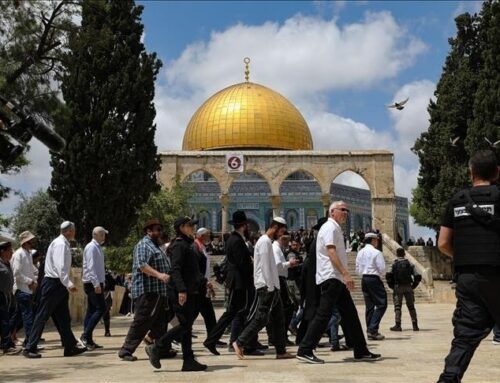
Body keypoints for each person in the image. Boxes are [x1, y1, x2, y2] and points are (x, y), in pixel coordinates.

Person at [436, 150, 500, 383]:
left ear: (470, 173)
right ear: (497, 172)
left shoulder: (457, 200)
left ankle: (448, 379)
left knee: (465, 336)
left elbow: (443, 243)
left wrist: (463, 256)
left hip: (467, 278)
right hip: (496, 275)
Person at [296, 201, 381, 364]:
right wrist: (345, 274)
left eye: (347, 210)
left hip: (337, 279)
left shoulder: (335, 228)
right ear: (332, 212)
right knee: (323, 314)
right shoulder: (329, 227)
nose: (346, 213)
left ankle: (361, 350)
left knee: (350, 315)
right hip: (331, 278)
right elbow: (331, 251)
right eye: (343, 210)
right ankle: (305, 349)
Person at [145, 216, 207, 372]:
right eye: (189, 225)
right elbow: (175, 269)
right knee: (184, 324)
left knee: (187, 327)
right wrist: (181, 289)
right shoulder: (179, 245)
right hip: (181, 291)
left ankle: (188, 360)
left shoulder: (188, 244)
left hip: (190, 290)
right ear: (181, 228)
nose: (192, 227)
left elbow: (192, 269)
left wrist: (204, 281)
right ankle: (157, 348)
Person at [232, 217, 294, 360]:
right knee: (261, 317)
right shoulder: (265, 242)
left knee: (279, 319)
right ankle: (239, 342)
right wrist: (270, 287)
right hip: (267, 286)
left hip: (272, 285)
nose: (281, 235)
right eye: (281, 231)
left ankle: (281, 350)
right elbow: (265, 266)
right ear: (275, 227)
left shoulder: (267, 241)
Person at [24, 221, 87, 358]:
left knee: (64, 318)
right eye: (74, 230)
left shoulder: (62, 243)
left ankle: (70, 346)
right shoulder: (60, 244)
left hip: (58, 285)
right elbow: (60, 267)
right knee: (42, 315)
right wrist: (69, 283)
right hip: (54, 284)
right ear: (69, 231)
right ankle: (30, 347)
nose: (75, 233)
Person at [203, 211, 261, 356]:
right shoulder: (236, 241)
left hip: (237, 282)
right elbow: (242, 263)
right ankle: (236, 341)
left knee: (234, 313)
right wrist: (253, 264)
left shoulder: (233, 239)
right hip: (239, 282)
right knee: (238, 312)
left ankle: (216, 340)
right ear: (244, 225)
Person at [118, 218, 170, 362]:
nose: (160, 232)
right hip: (148, 291)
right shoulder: (143, 245)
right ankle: (126, 350)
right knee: (141, 321)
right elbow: (142, 265)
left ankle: (160, 349)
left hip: (159, 292)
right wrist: (160, 275)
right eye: (157, 230)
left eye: (161, 229)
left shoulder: (156, 246)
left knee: (160, 323)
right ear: (148, 231)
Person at [79, 226, 109, 350]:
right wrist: (96, 284)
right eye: (103, 235)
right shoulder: (91, 247)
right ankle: (85, 336)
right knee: (101, 308)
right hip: (92, 283)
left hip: (96, 282)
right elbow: (90, 267)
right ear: (97, 235)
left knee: (91, 311)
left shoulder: (97, 247)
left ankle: (89, 340)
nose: (104, 237)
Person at [355, 232, 387, 340]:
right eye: (376, 240)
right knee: (382, 304)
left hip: (364, 279)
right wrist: (378, 276)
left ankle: (369, 330)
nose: (377, 242)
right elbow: (382, 269)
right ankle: (373, 329)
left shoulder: (360, 252)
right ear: (373, 240)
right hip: (374, 279)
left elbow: (358, 268)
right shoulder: (376, 252)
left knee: (369, 306)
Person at [11, 231, 38, 347]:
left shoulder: (28, 254)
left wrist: (34, 281)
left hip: (28, 290)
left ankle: (26, 341)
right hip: (21, 290)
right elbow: (17, 273)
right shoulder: (18, 254)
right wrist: (30, 281)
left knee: (22, 317)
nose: (32, 243)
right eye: (30, 241)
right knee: (28, 317)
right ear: (25, 242)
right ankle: (30, 343)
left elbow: (32, 272)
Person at [272, 232, 299, 345]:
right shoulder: (276, 249)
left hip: (281, 279)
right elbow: (278, 266)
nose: (288, 244)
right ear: (281, 238)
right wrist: (290, 263)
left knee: (285, 309)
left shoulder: (279, 248)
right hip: (279, 279)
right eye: (287, 241)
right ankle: (280, 337)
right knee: (287, 308)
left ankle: (281, 336)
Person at [386, 247, 421, 332]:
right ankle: (415, 325)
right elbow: (418, 276)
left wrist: (391, 286)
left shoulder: (394, 264)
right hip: (408, 286)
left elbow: (388, 275)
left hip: (398, 287)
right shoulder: (409, 263)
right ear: (404, 254)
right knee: (411, 306)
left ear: (396, 254)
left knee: (398, 307)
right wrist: (414, 286)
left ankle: (398, 325)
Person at [192, 227, 217, 340]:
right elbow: (196, 268)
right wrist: (205, 281)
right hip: (199, 285)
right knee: (192, 315)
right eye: (207, 234)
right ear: (201, 236)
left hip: (203, 284)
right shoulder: (195, 247)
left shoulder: (202, 247)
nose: (209, 236)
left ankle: (213, 338)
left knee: (209, 314)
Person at [0, 241, 21, 355]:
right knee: (4, 321)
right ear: (2, 251)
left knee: (6, 320)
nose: (11, 253)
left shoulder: (7, 263)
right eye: (9, 251)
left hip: (7, 295)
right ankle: (7, 346)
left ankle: (7, 344)